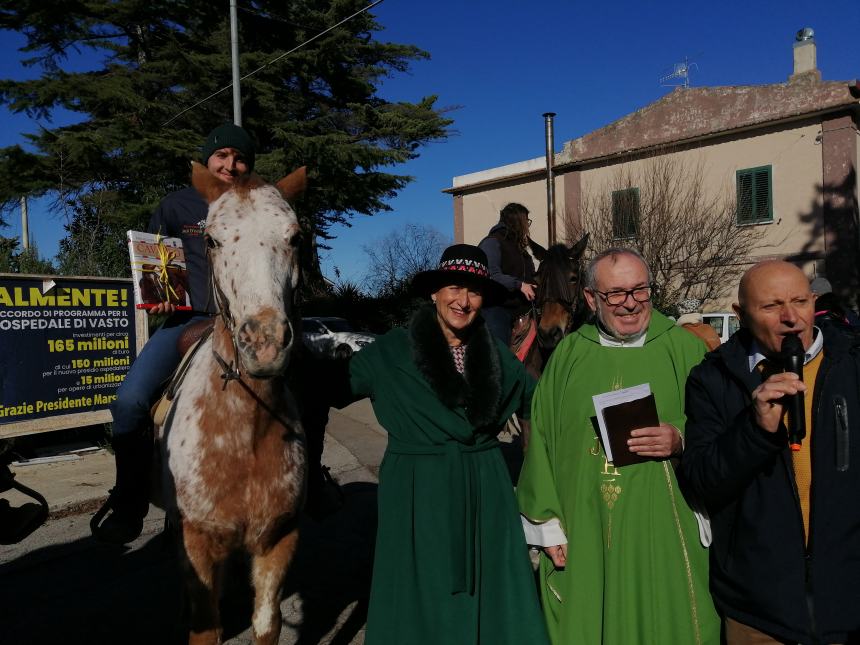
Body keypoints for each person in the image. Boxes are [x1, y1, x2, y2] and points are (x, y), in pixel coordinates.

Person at [344, 244, 549, 644]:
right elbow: (320, 389)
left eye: (474, 291)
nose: (463, 300)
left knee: (492, 589)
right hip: (417, 491)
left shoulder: (500, 359)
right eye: (454, 287)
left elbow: (543, 407)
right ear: (434, 293)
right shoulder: (389, 351)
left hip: (485, 487)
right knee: (419, 589)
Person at [517, 247, 720, 644]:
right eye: (616, 294)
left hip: (664, 523)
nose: (630, 303)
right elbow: (539, 438)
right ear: (592, 299)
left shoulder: (685, 350)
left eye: (639, 290)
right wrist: (546, 525)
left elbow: (723, 428)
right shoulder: (568, 357)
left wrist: (679, 436)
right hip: (585, 524)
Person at [90, 123, 255, 544]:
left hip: (246, 325)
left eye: (239, 158)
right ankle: (129, 503)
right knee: (128, 403)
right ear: (206, 160)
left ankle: (311, 484)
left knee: (305, 386)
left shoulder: (259, 204)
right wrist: (160, 296)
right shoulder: (177, 205)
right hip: (185, 322)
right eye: (222, 156)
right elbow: (157, 264)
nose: (230, 165)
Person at [681, 260, 860, 644]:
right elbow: (700, 481)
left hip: (848, 604)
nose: (791, 318)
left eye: (800, 301)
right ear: (741, 315)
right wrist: (755, 429)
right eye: (771, 306)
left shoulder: (851, 365)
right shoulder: (713, 380)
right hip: (759, 613)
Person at [478, 202, 537, 344]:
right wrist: (519, 285)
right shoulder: (492, 242)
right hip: (498, 307)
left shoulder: (522, 251)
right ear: (518, 221)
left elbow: (530, 278)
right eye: (526, 221)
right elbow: (491, 274)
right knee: (499, 347)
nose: (528, 226)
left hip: (524, 308)